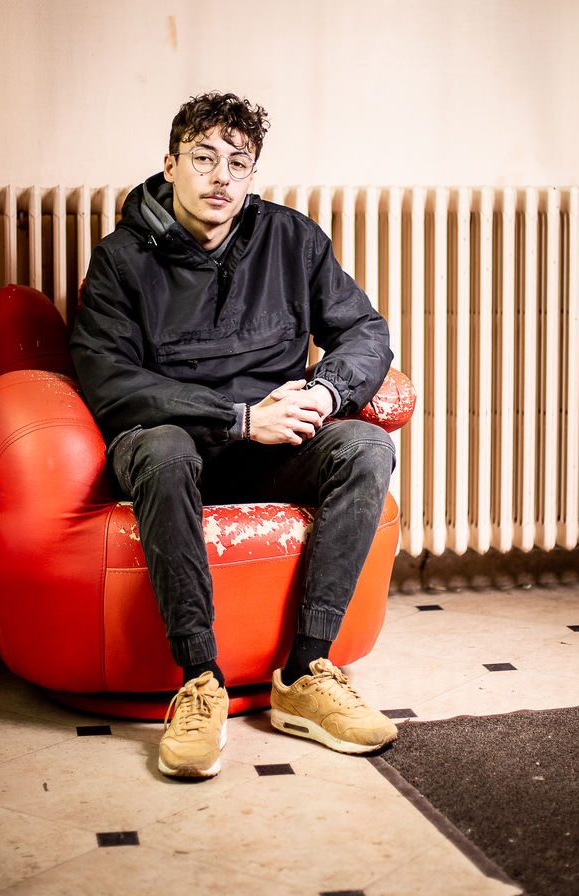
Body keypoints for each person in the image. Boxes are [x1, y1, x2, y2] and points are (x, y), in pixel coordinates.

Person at [70, 91, 398, 780]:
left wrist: (323, 391)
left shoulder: (292, 240)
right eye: (204, 158)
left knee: (366, 447)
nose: (221, 177)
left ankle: (306, 671)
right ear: (171, 165)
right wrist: (240, 417)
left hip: (267, 450)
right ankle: (199, 681)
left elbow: (365, 333)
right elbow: (109, 380)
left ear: (252, 174)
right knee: (162, 451)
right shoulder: (119, 259)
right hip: (169, 443)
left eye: (238, 162)